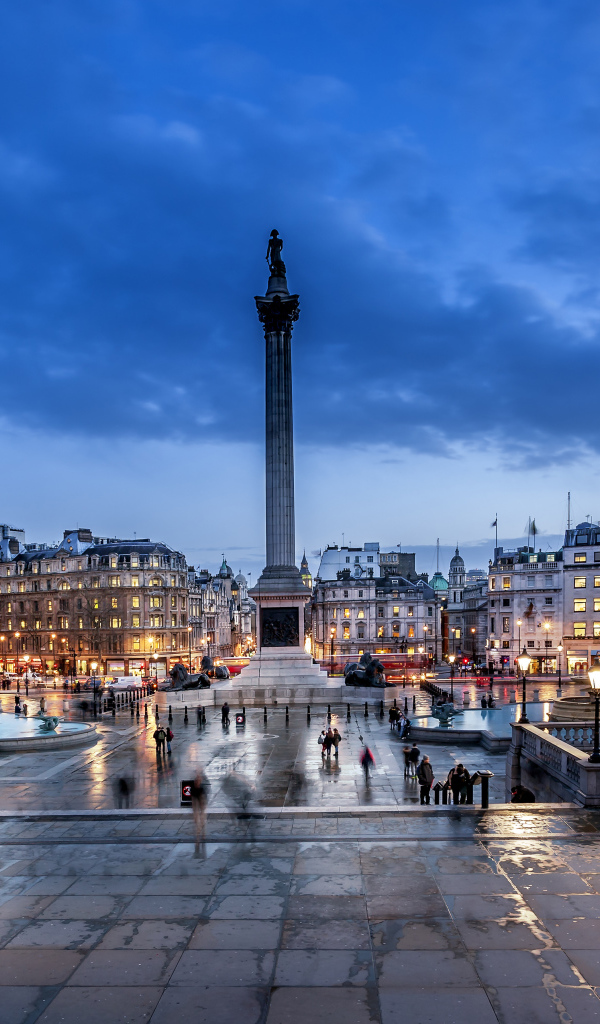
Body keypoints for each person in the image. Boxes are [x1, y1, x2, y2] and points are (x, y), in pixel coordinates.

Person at [191, 769, 210, 854]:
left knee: (202, 821)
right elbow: (193, 801)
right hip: (198, 804)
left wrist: (203, 807)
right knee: (198, 822)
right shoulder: (194, 789)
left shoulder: (202, 788)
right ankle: (198, 837)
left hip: (202, 804)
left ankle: (202, 834)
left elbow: (203, 800)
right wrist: (195, 811)